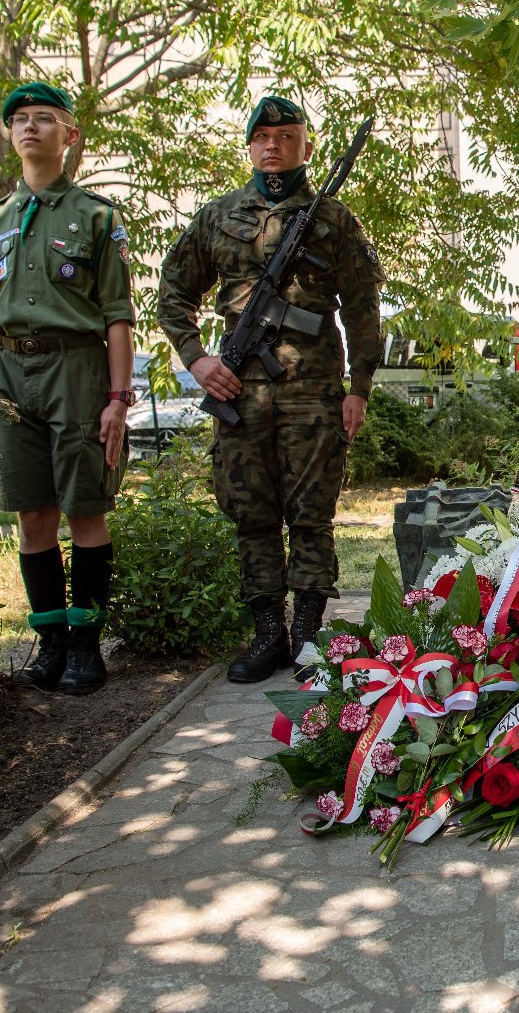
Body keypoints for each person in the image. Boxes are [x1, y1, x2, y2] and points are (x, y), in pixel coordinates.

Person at [157, 95, 384, 682]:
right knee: (250, 513)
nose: (274, 144)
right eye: (264, 135)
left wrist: (358, 386)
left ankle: (308, 636)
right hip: (238, 390)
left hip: (313, 390)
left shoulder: (333, 219)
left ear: (305, 145)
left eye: (287, 134)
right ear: (251, 145)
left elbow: (362, 309)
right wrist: (198, 361)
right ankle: (268, 636)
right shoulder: (217, 216)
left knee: (312, 514)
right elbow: (173, 295)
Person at [0, 81, 134, 695]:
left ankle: (87, 649)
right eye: (20, 120)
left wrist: (117, 400)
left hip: (76, 370)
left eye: (45, 119)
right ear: (9, 134)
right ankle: (50, 644)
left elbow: (117, 315)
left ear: (70, 136)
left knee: (84, 508)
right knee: (32, 512)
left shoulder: (96, 217)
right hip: (13, 374)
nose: (30, 127)